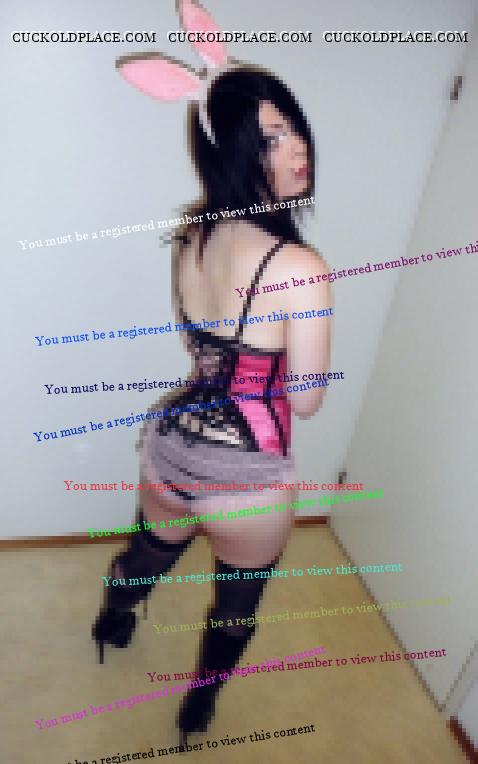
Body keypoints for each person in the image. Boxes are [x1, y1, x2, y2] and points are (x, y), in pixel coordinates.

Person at [93, 3, 332, 743]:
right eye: (273, 137)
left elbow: (205, 344)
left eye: (294, 127)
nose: (297, 148)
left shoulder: (193, 235)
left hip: (173, 445)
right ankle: (198, 705)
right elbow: (307, 401)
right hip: (247, 474)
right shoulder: (300, 266)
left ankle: (113, 618)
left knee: (149, 550)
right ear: (232, 149)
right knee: (236, 606)